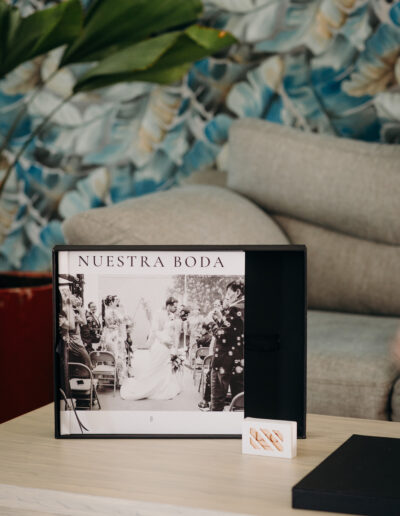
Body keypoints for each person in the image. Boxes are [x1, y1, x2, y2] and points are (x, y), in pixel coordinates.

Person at [120, 297, 183, 401]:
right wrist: (164, 341)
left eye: (176, 307)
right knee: (156, 367)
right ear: (168, 306)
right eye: (174, 307)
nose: (176, 309)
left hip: (167, 346)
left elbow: (175, 334)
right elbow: (155, 331)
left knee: (165, 367)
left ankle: (164, 387)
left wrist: (174, 348)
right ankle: (150, 387)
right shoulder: (160, 315)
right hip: (160, 345)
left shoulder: (174, 318)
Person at [209, 281, 244, 411]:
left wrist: (213, 323)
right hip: (240, 359)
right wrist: (221, 319)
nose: (226, 296)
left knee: (217, 400)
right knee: (239, 401)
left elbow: (222, 335)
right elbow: (233, 332)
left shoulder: (234, 309)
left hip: (223, 360)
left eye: (228, 293)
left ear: (238, 292)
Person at [100, 295, 128, 382]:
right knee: (118, 354)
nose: (117, 302)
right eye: (115, 300)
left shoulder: (105, 311)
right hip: (114, 335)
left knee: (110, 354)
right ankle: (119, 378)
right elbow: (124, 320)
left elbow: (107, 325)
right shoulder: (114, 311)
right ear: (111, 302)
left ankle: (110, 377)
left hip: (107, 335)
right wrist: (124, 309)